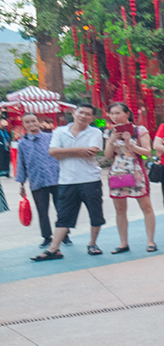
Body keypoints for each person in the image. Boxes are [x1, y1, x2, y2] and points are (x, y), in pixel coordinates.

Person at [33, 102, 104, 261]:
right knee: (63, 215)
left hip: (90, 179)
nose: (83, 116)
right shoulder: (60, 131)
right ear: (74, 113)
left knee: (95, 213)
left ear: (92, 118)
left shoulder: (95, 132)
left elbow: (91, 152)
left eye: (87, 114)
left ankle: (92, 243)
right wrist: (79, 150)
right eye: (81, 112)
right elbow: (52, 152)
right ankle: (54, 249)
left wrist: (64, 152)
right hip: (67, 180)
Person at [102, 101, 159, 254]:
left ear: (127, 114)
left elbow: (147, 152)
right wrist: (112, 140)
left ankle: (150, 241)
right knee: (119, 209)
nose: (115, 116)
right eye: (112, 113)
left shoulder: (139, 130)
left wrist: (130, 144)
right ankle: (123, 242)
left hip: (136, 171)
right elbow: (107, 156)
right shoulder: (109, 132)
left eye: (118, 113)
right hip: (117, 172)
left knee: (145, 206)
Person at [14, 112, 62, 247]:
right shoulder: (22, 143)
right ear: (23, 124)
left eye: (34, 121)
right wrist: (22, 184)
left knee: (61, 208)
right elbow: (21, 164)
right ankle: (47, 236)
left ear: (38, 122)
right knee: (42, 210)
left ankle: (64, 235)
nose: (31, 124)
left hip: (55, 178)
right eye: (27, 122)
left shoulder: (51, 138)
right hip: (37, 180)